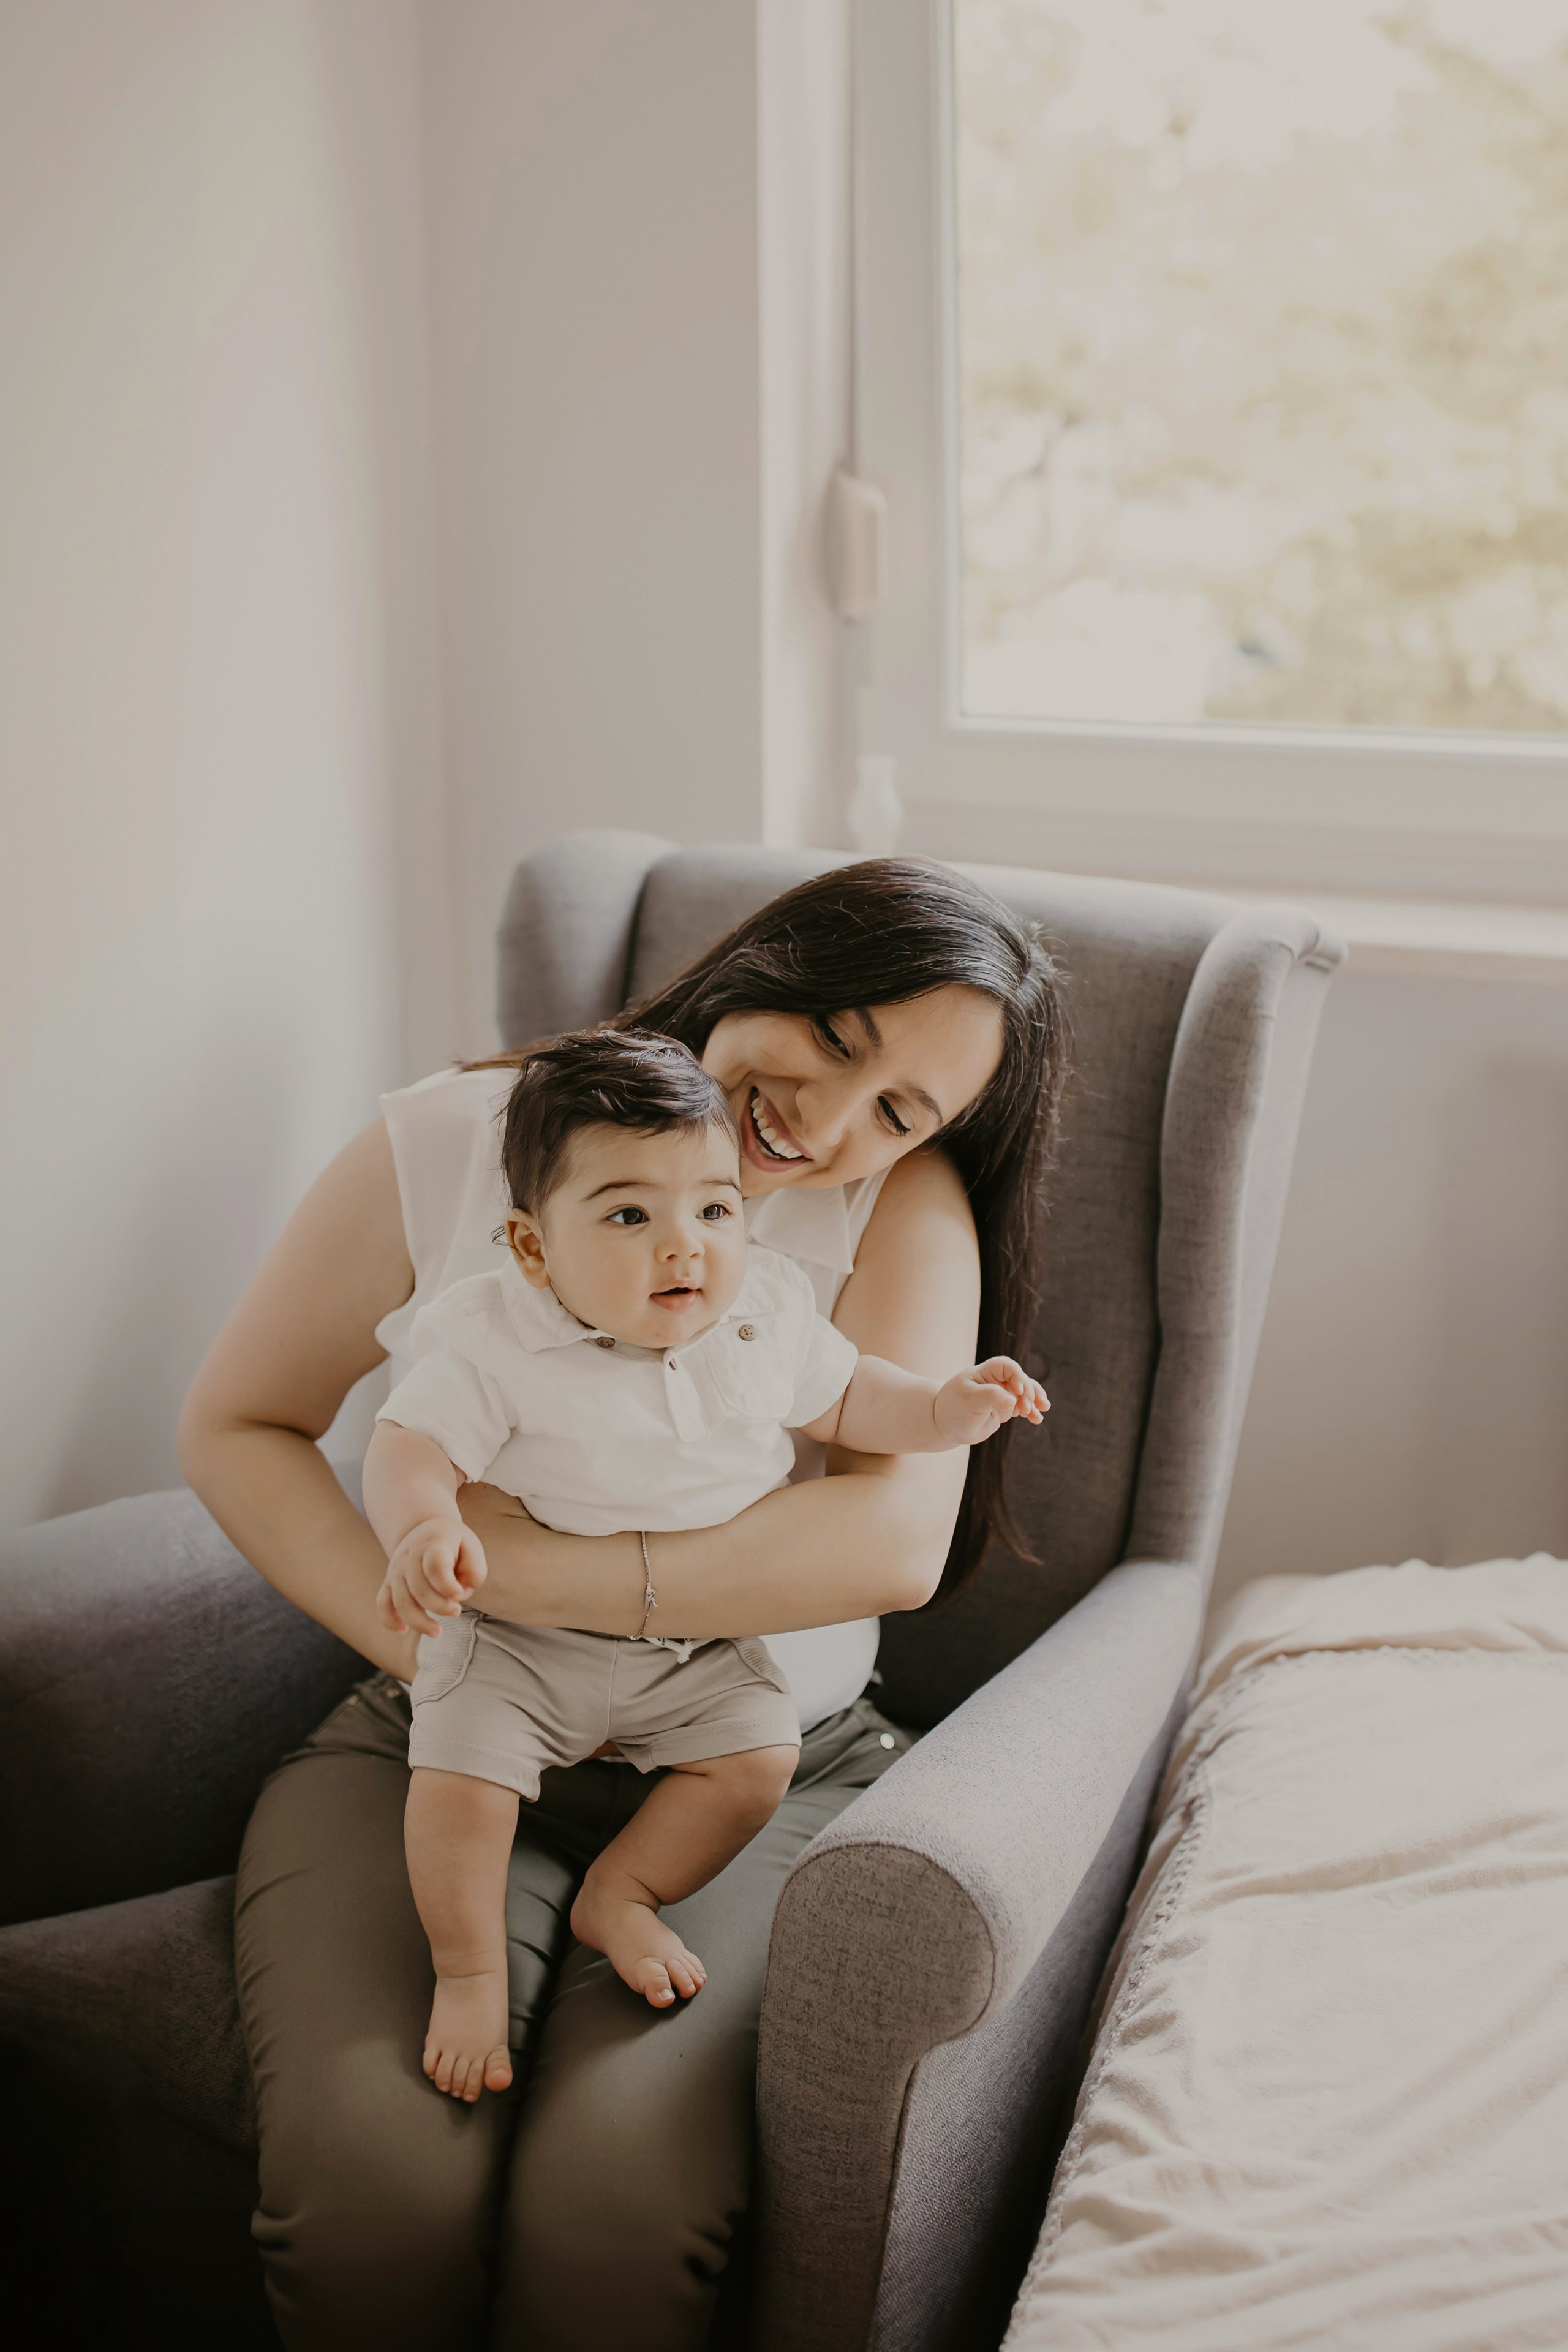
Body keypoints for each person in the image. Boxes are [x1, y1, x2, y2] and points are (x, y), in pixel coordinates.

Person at [178, 858, 1068, 2352]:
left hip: (757, 1763)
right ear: (768, 959)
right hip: (446, 1742)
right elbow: (240, 1422)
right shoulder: (463, 1141)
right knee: (372, 2190)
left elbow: (889, 1544)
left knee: (619, 2204)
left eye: (901, 1110)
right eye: (838, 1041)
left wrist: (528, 1575)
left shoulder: (890, 1214)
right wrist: (437, 1638)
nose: (829, 1126)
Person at [363, 1028, 1047, 2099]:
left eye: (715, 1210)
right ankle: (468, 1966)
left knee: (754, 1761)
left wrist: (949, 1409)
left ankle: (623, 1894)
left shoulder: (765, 1314)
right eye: (630, 1216)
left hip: (701, 1645)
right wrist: (422, 1529)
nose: (685, 1247)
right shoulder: (501, 1335)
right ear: (535, 1249)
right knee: (459, 1780)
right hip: (519, 1643)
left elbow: (858, 1396)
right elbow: (409, 1442)